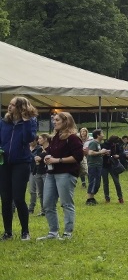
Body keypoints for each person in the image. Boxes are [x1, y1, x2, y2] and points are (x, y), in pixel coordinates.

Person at [39, 111, 84, 239]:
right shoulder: (54, 138)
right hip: (51, 173)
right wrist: (47, 157)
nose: (54, 122)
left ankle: (67, 232)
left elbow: (78, 157)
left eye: (57, 120)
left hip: (66, 173)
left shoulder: (73, 138)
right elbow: (50, 152)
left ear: (66, 122)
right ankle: (53, 232)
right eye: (54, 120)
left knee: (66, 203)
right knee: (47, 203)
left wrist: (57, 160)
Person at [1, 96, 40, 241]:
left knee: (18, 198)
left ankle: (25, 231)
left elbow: (28, 139)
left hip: (21, 163)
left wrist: (25, 121)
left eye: (12, 105)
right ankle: (7, 232)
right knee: (5, 198)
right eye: (9, 104)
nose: (9, 107)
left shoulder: (30, 122)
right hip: (4, 163)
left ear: (21, 108)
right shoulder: (4, 122)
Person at [83, 128, 109, 206]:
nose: (103, 135)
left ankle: (92, 197)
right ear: (98, 135)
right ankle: (89, 199)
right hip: (93, 165)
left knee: (97, 182)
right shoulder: (93, 143)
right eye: (102, 133)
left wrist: (103, 153)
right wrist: (101, 152)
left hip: (98, 165)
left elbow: (96, 153)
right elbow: (90, 153)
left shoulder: (98, 144)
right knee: (93, 181)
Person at [29, 134, 49, 218]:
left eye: (40, 138)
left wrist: (39, 158)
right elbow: (36, 159)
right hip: (37, 172)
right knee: (40, 193)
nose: (38, 140)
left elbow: (38, 159)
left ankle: (48, 209)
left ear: (45, 139)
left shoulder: (45, 149)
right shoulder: (42, 150)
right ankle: (43, 210)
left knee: (46, 192)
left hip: (46, 172)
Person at [101, 132, 125, 203]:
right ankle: (107, 197)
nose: (115, 144)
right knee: (105, 182)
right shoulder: (103, 145)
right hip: (104, 165)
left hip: (113, 165)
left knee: (116, 182)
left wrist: (118, 156)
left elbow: (122, 153)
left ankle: (120, 197)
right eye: (114, 143)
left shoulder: (116, 145)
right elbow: (99, 153)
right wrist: (104, 153)